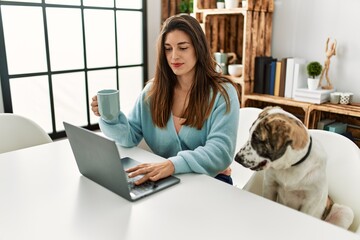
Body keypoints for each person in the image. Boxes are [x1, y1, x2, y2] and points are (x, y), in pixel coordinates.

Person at [91, 14, 240, 185]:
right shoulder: (153, 92)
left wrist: (172, 164)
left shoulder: (223, 93)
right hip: (167, 181)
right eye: (168, 48)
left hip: (211, 181)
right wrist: (109, 117)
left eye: (183, 47)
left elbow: (220, 152)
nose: (174, 56)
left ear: (199, 49)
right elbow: (129, 136)